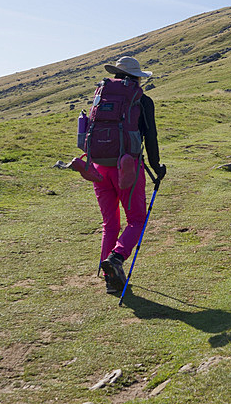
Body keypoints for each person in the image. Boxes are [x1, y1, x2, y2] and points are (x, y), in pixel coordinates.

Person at [92, 56, 166, 295]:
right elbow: (150, 137)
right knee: (136, 219)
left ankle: (109, 279)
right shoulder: (142, 101)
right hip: (128, 167)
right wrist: (156, 167)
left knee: (110, 223)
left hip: (99, 166)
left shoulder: (101, 95)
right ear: (136, 78)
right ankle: (116, 258)